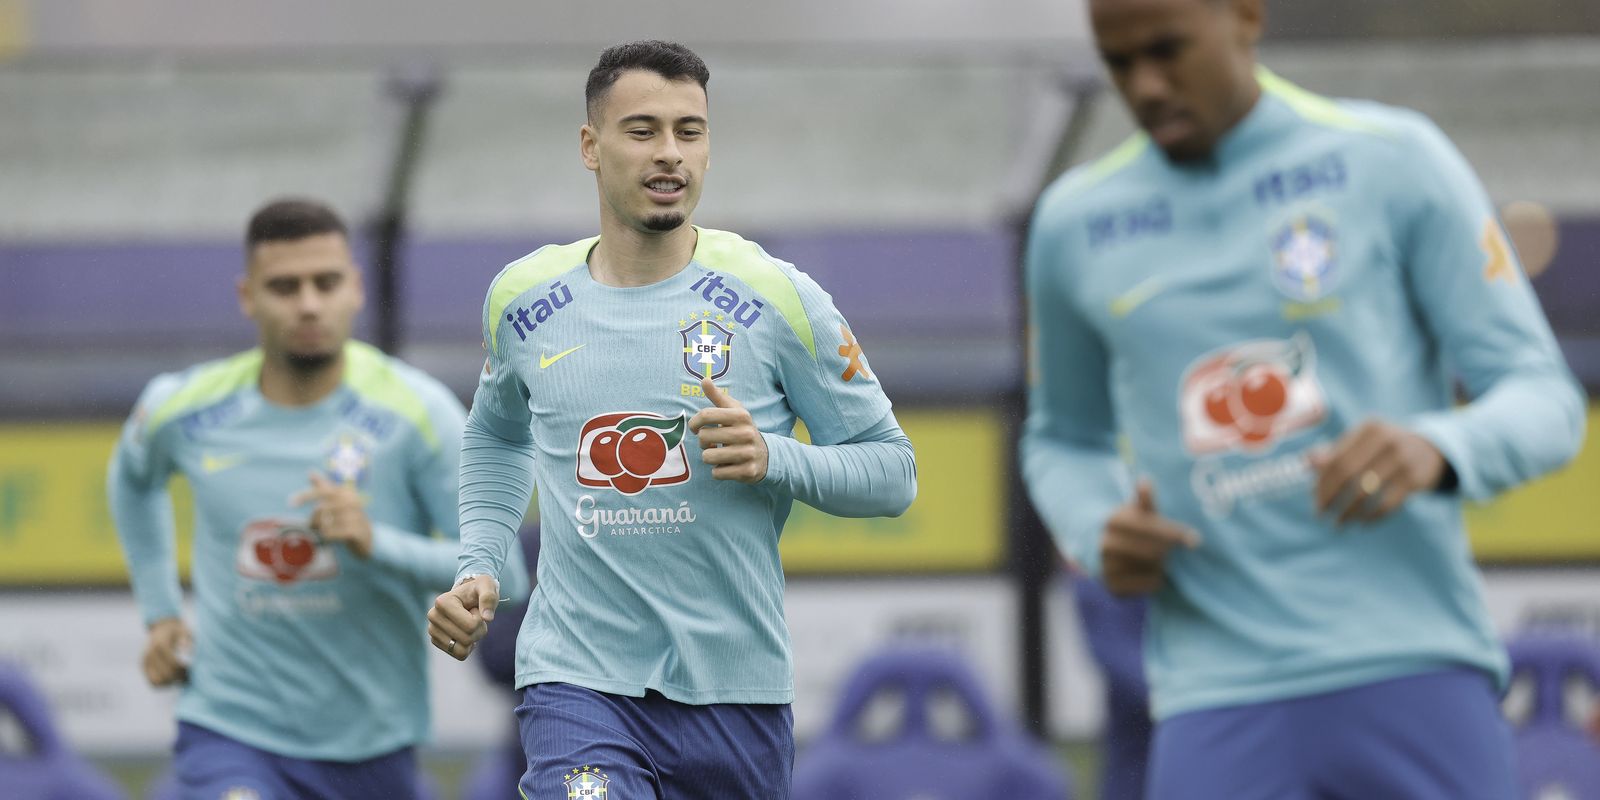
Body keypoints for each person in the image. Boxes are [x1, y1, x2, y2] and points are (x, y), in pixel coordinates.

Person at [1020, 0, 1586, 797]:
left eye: (1168, 50)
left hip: (1414, 664)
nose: (1145, 86)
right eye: (1119, 62)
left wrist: (1439, 448)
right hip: (1214, 695)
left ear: (1246, 15)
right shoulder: (1074, 223)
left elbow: (1544, 397)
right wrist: (1095, 524)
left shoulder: (1392, 160)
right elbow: (1061, 438)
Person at [426, 40, 917, 799]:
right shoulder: (523, 300)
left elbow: (893, 473)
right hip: (576, 678)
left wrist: (776, 457)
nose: (670, 153)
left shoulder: (779, 298)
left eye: (690, 131)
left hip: (736, 694)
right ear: (591, 147)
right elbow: (495, 434)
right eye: (643, 130)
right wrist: (480, 565)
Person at [108, 198, 528, 800]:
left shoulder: (418, 413)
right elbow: (131, 479)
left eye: (325, 283)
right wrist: (161, 613)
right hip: (230, 728)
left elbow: (507, 575)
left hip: (373, 743)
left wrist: (374, 542)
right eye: (285, 287)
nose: (308, 304)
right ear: (247, 296)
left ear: (355, 288)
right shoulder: (184, 407)